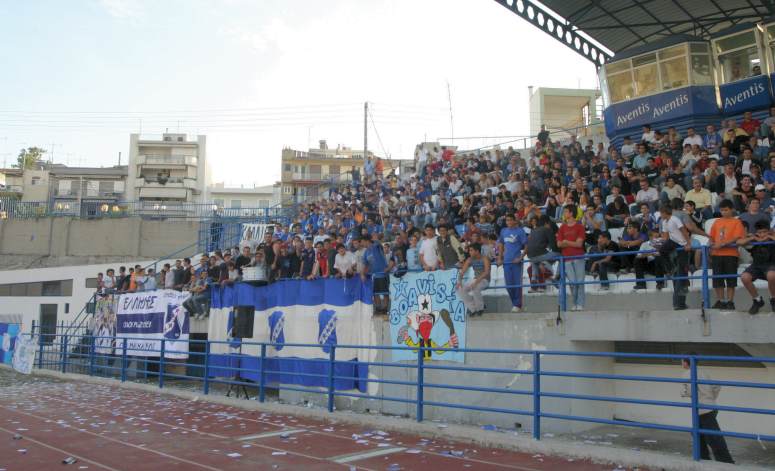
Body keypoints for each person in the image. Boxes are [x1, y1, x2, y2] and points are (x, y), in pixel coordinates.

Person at [680, 356, 734, 464]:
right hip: (711, 406)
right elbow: (717, 386)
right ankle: (703, 457)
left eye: (682, 361)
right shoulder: (704, 372)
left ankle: (726, 461)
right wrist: (711, 397)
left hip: (702, 409)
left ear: (686, 362)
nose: (681, 363)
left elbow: (689, 392)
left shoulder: (687, 374)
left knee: (713, 437)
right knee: (698, 433)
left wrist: (683, 393)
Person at [709, 199, 745, 310]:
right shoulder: (717, 222)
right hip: (716, 254)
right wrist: (711, 243)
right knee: (717, 279)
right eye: (722, 210)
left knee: (730, 279)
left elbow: (737, 237)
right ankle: (721, 301)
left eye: (726, 210)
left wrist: (723, 244)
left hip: (731, 254)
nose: (724, 212)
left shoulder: (737, 222)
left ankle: (730, 301)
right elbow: (711, 236)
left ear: (731, 210)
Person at [657, 204, 691, 310]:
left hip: (681, 244)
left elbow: (684, 231)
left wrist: (688, 243)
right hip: (673, 243)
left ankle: (679, 303)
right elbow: (666, 237)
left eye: (661, 213)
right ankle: (670, 269)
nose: (660, 215)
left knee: (681, 276)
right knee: (680, 277)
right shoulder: (664, 222)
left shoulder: (675, 219)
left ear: (665, 213)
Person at [739, 220, 775, 314]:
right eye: (759, 232)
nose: (762, 234)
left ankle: (773, 299)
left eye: (764, 232)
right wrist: (753, 238)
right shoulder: (754, 239)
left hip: (772, 265)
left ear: (769, 231)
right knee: (744, 277)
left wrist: (770, 236)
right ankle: (757, 300)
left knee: (772, 275)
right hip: (757, 265)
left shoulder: (772, 238)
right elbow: (740, 242)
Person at [557, 205, 586, 311]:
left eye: (565, 211)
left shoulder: (580, 227)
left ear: (571, 213)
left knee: (580, 281)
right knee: (572, 283)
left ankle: (580, 304)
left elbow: (579, 244)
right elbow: (559, 244)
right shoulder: (562, 227)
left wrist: (566, 242)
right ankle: (575, 303)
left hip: (578, 257)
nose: (564, 214)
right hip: (567, 258)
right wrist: (569, 243)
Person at [497, 214, 528, 312]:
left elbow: (526, 245)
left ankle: (517, 305)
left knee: (517, 284)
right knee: (508, 285)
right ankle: (515, 303)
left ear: (515, 221)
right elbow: (501, 244)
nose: (508, 222)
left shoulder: (520, 231)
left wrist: (521, 257)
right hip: (506, 262)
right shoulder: (504, 231)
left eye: (510, 220)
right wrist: (500, 257)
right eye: (507, 220)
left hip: (516, 262)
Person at [455, 242, 491, 317]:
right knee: (460, 289)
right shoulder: (470, 259)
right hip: (475, 280)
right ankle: (473, 308)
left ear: (477, 251)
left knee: (475, 287)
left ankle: (480, 308)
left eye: (471, 250)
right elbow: (462, 272)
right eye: (469, 250)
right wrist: (459, 281)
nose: (469, 252)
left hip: (485, 280)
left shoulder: (485, 258)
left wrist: (476, 282)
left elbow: (486, 272)